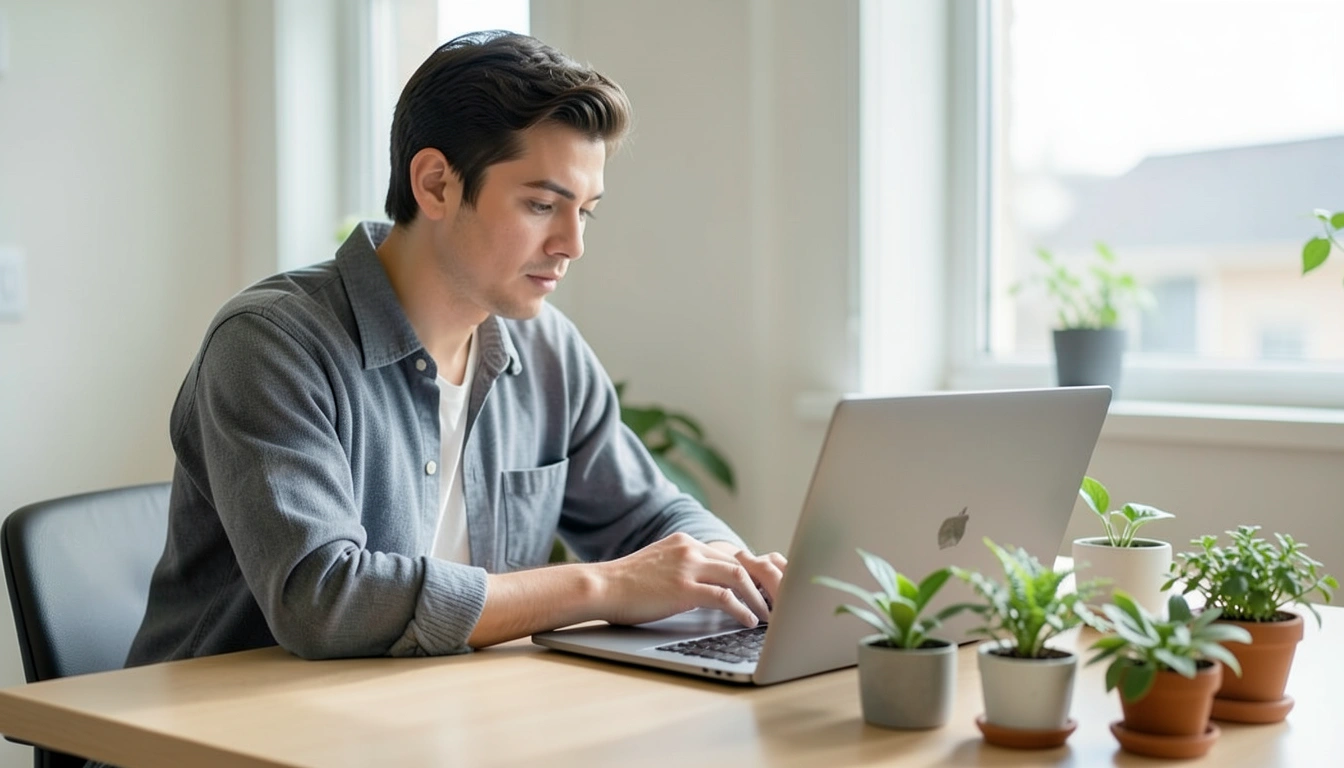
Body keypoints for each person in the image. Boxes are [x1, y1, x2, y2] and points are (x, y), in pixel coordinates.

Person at [126, 30, 786, 665]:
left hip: (428, 720)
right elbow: (323, 601)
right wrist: (602, 586)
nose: (571, 244)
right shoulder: (273, 345)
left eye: (584, 211)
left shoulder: (547, 349)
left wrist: (739, 574)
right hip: (221, 733)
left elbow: (651, 515)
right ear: (437, 183)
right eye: (540, 204)